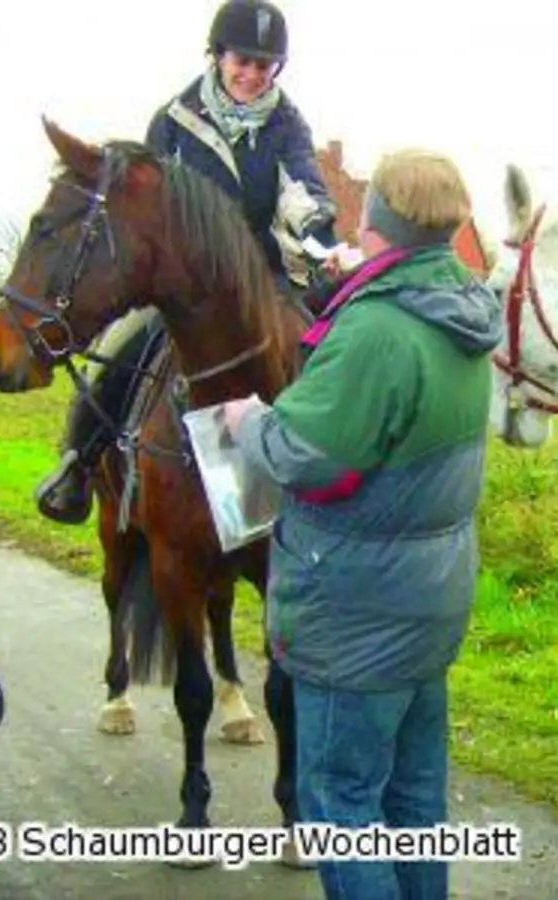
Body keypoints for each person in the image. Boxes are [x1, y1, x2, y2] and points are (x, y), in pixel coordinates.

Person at [217, 147, 502, 900]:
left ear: (376, 223)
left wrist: (250, 419)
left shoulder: (377, 329)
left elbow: (300, 451)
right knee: (412, 805)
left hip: (354, 614)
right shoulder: (462, 313)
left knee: (341, 808)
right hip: (428, 598)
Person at [33, 0, 342, 526]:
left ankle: (332, 485)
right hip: (184, 286)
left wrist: (318, 237)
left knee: (327, 351)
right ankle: (78, 464)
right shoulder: (174, 120)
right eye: (241, 61)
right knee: (120, 343)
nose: (250, 74)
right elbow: (147, 203)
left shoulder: (288, 124)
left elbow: (302, 188)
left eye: (262, 66)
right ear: (218, 56)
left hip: (260, 279)